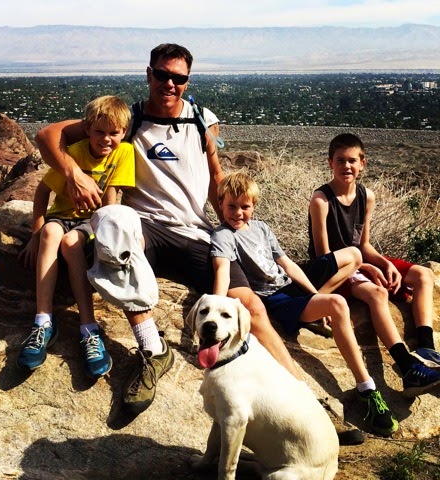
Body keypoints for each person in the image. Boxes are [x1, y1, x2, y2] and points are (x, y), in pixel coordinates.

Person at [34, 44, 363, 440]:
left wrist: (233, 227)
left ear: (188, 81)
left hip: (195, 231)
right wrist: (74, 174)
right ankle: (154, 351)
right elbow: (47, 135)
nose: (169, 83)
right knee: (117, 239)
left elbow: (214, 177)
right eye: (162, 74)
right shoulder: (128, 119)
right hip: (147, 227)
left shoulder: (202, 120)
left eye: (179, 78)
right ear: (149, 74)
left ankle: (306, 402)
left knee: (249, 306)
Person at [210, 171, 397, 436]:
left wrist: (313, 295)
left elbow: (287, 264)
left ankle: (366, 387)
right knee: (338, 303)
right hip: (275, 299)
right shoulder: (223, 235)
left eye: (245, 206)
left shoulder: (261, 228)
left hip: (291, 287)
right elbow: (223, 270)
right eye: (231, 206)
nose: (238, 213)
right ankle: (366, 388)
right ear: (220, 203)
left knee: (345, 276)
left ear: (254, 205)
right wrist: (216, 310)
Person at [308, 132, 440, 399]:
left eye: (352, 161)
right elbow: (325, 256)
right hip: (335, 268)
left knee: (423, 275)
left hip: (359, 259)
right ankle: (407, 366)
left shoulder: (366, 195)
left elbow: (364, 244)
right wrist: (365, 269)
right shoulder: (321, 200)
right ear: (330, 162)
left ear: (362, 163)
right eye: (340, 160)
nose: (347, 166)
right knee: (377, 293)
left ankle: (427, 349)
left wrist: (382, 263)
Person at [18, 95, 135, 379]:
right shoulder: (75, 152)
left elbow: (110, 198)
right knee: (50, 233)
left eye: (114, 133)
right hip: (61, 216)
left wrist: (107, 238)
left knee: (71, 243)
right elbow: (43, 191)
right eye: (99, 132)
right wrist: (35, 233)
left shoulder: (124, 153)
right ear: (87, 129)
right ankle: (43, 321)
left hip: (91, 222)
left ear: (124, 132)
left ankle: (88, 327)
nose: (106, 139)